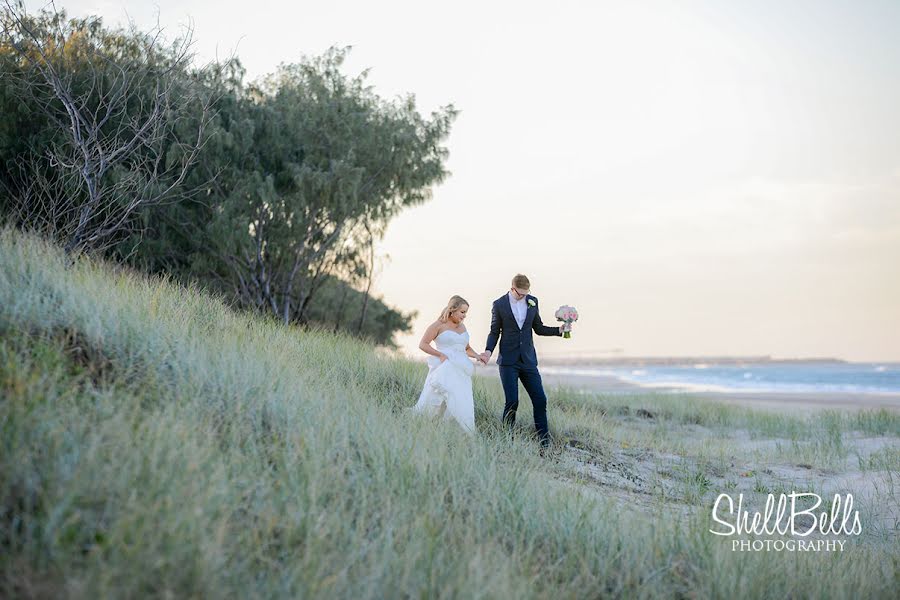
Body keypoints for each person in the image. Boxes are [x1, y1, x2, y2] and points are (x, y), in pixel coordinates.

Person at [480, 274, 569, 449]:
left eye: (526, 293)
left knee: (540, 399)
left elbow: (539, 328)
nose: (524, 296)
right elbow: (494, 331)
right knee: (512, 401)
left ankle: (544, 444)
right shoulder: (499, 304)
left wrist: (560, 330)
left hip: (528, 360)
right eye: (520, 294)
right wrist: (488, 351)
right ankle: (506, 442)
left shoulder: (533, 301)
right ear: (512, 288)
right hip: (508, 361)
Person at [412, 295, 485, 433]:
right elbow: (423, 344)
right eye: (462, 312)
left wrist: (477, 356)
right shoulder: (438, 325)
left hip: (461, 370)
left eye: (466, 313)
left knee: (461, 401)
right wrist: (440, 354)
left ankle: (459, 431)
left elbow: (466, 348)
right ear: (452, 309)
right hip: (444, 368)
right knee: (436, 400)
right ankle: (426, 428)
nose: (464, 316)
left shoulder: (462, 327)